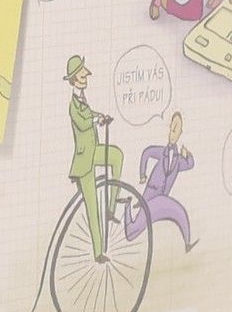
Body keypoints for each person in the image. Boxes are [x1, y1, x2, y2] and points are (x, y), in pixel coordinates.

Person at [63, 55, 125, 261]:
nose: (85, 79)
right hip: (83, 161)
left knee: (116, 156)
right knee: (92, 208)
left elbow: (90, 114)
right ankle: (98, 252)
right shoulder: (73, 106)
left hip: (94, 151)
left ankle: (111, 207)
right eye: (82, 77)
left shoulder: (83, 100)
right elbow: (83, 123)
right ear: (74, 80)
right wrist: (96, 120)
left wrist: (101, 117)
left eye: (85, 76)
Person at [123, 108, 197, 250]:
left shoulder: (178, 161)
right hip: (150, 196)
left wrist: (187, 154)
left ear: (180, 133)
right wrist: (142, 175)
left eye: (176, 130)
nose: (173, 133)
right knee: (133, 232)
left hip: (161, 198)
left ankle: (187, 243)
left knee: (179, 212)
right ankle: (127, 206)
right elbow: (146, 153)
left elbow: (190, 164)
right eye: (172, 128)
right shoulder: (162, 152)